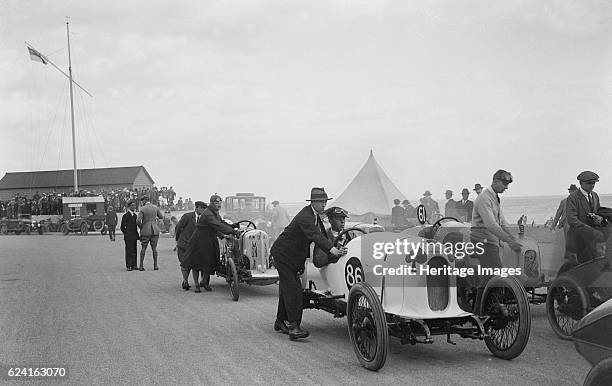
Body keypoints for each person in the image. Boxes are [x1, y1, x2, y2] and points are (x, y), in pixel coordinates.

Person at [271, 187, 347, 340]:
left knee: (287, 288)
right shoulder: (306, 216)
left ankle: (280, 322)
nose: (324, 204)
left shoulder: (315, 216)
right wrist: (332, 250)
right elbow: (315, 235)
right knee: (294, 291)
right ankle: (294, 327)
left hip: (291, 256)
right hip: (284, 255)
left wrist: (334, 248)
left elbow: (323, 236)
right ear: (313, 202)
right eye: (321, 202)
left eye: (325, 201)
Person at [470, 170, 523, 312]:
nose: (506, 187)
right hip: (482, 241)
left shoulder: (494, 197)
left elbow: (502, 222)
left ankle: (479, 313)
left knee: (487, 278)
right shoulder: (484, 198)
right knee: (497, 274)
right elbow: (491, 224)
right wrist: (509, 241)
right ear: (496, 181)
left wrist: (512, 237)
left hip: (490, 241)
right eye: (504, 184)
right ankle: (490, 310)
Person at [182, 195, 240, 292]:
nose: (219, 205)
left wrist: (232, 226)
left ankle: (204, 281)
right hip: (199, 240)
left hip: (209, 239)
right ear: (211, 203)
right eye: (216, 203)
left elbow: (220, 222)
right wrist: (233, 231)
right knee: (196, 263)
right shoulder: (208, 213)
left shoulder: (215, 212)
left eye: (220, 203)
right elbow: (217, 225)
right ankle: (196, 285)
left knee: (210, 261)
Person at [566, 171, 608, 263]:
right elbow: (572, 220)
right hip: (579, 239)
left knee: (595, 264)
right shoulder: (573, 198)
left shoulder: (595, 195)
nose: (592, 185)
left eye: (593, 183)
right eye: (589, 183)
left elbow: (598, 212)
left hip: (593, 240)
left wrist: (599, 218)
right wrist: (592, 231)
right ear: (581, 183)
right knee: (584, 266)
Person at [175, 201, 207, 291]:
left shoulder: (204, 219)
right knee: (184, 264)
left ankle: (195, 283)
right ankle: (185, 281)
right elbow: (178, 228)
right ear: (197, 208)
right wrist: (178, 239)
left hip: (196, 246)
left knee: (194, 264)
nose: (204, 211)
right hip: (184, 244)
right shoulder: (187, 216)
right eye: (203, 208)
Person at [136, 196, 164, 271]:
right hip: (155, 230)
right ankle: (155, 265)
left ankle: (141, 266)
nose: (142, 203)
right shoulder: (155, 207)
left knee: (143, 248)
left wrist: (142, 227)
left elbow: (138, 221)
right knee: (154, 249)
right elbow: (161, 216)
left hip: (146, 230)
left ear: (144, 201)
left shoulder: (142, 209)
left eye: (142, 201)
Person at [120, 200, 140, 271]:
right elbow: (122, 227)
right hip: (128, 236)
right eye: (132, 205)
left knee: (134, 250)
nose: (133, 207)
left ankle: (134, 265)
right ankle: (129, 266)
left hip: (134, 236)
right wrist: (126, 233)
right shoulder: (125, 216)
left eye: (134, 205)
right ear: (129, 207)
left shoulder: (135, 216)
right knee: (129, 251)